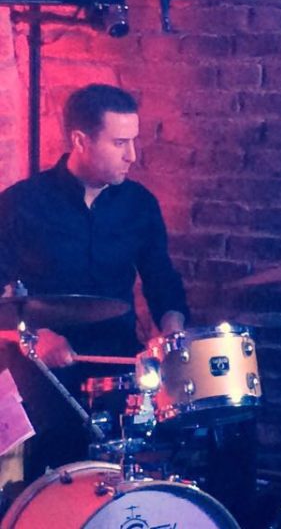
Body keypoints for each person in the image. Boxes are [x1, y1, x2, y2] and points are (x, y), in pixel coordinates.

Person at [0, 83, 189, 481]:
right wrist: (33, 338)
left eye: (133, 141)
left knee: (177, 437)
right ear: (80, 141)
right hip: (42, 369)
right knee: (57, 449)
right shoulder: (20, 205)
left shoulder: (139, 204)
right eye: (120, 143)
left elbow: (162, 280)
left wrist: (170, 329)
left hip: (118, 359)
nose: (132, 155)